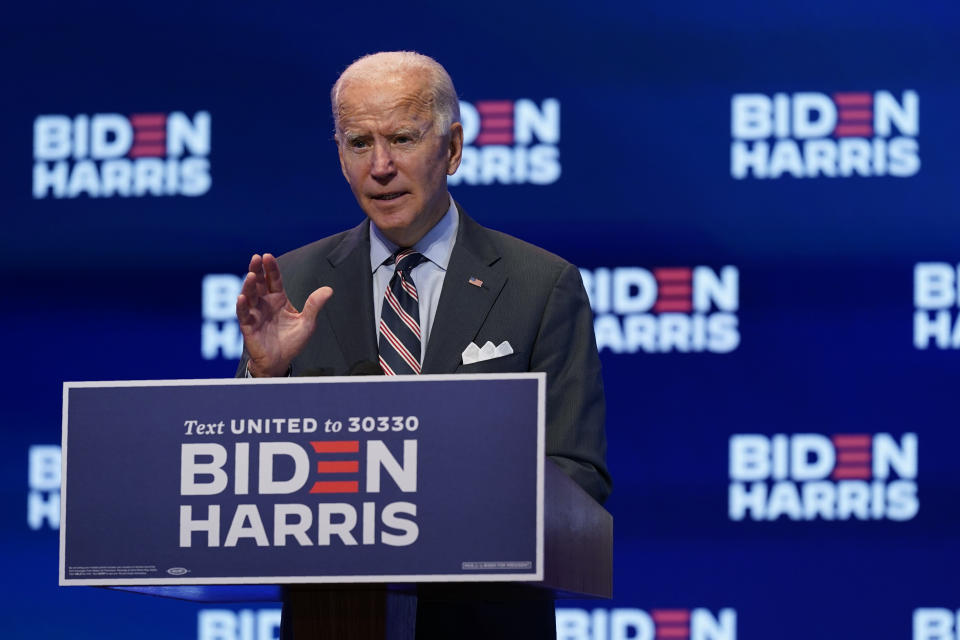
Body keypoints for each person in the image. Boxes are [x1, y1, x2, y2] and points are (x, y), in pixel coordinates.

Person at [235, 51, 610, 638]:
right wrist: (265, 377)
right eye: (359, 143)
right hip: (333, 621)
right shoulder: (297, 283)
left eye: (403, 139)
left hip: (483, 622)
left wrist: (442, 511)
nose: (380, 166)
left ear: (452, 147)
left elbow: (577, 474)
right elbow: (244, 480)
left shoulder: (540, 285)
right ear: (340, 156)